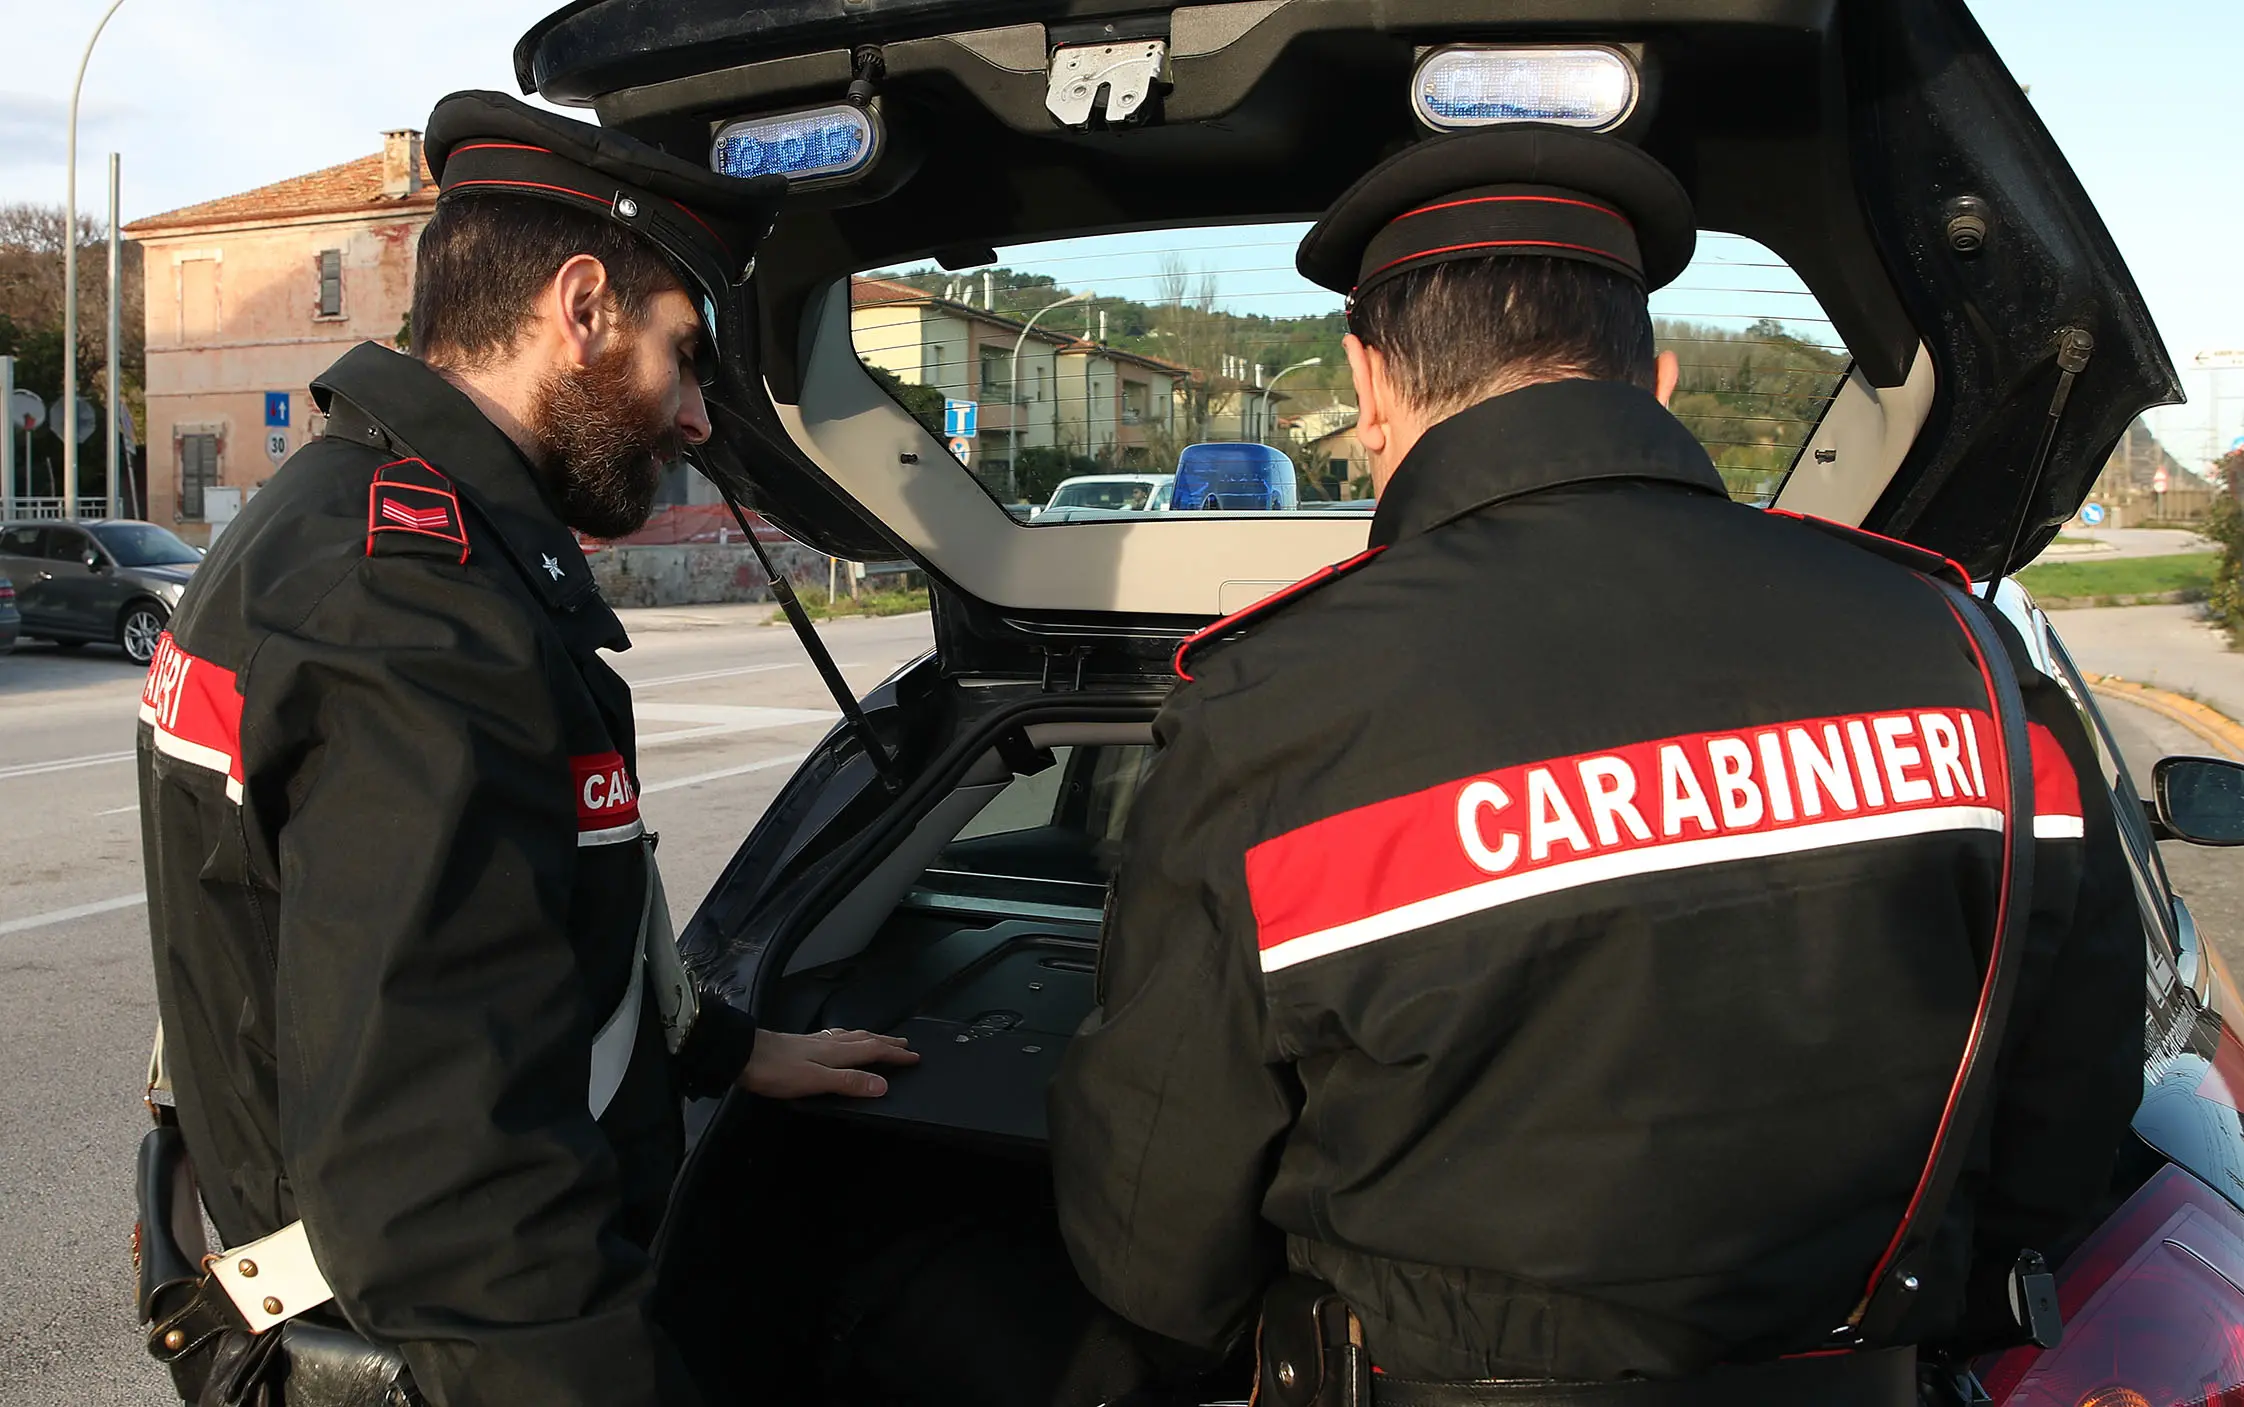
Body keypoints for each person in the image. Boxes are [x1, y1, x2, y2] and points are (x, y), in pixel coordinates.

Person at [1048, 125, 2143, 1399]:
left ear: (1369, 378)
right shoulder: (1960, 650)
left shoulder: (1277, 708)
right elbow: (2065, 1111)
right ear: (1659, 378)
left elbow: (1156, 1213)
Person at [137, 91, 914, 1406]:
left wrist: (721, 1051)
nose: (697, 421)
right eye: (685, 354)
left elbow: (507, 944)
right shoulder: (419, 617)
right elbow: (454, 1190)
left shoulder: (338, 521)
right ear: (584, 306)